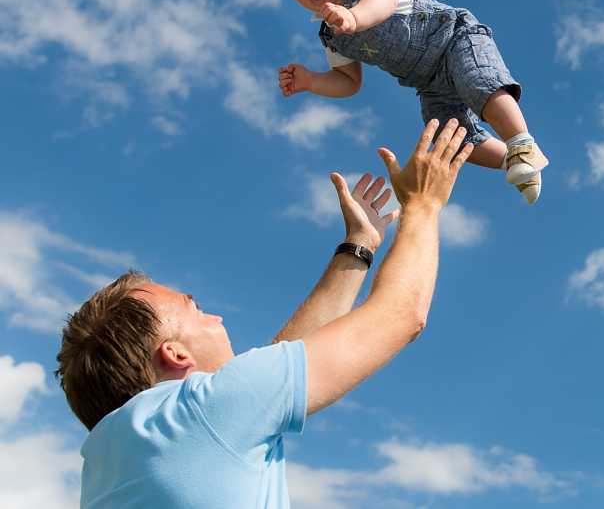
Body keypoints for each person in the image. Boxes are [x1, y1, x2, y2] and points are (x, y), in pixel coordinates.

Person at [56, 119, 473, 508]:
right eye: (196, 310)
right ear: (176, 354)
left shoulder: (107, 461)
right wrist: (423, 204)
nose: (215, 317)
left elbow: (281, 362)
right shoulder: (204, 410)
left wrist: (359, 244)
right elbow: (400, 315)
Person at [272, 0, 549, 204]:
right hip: (429, 83)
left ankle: (521, 143)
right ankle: (514, 163)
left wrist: (355, 17)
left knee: (478, 82)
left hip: (453, 40)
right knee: (449, 139)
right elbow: (348, 81)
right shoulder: (332, 33)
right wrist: (311, 81)